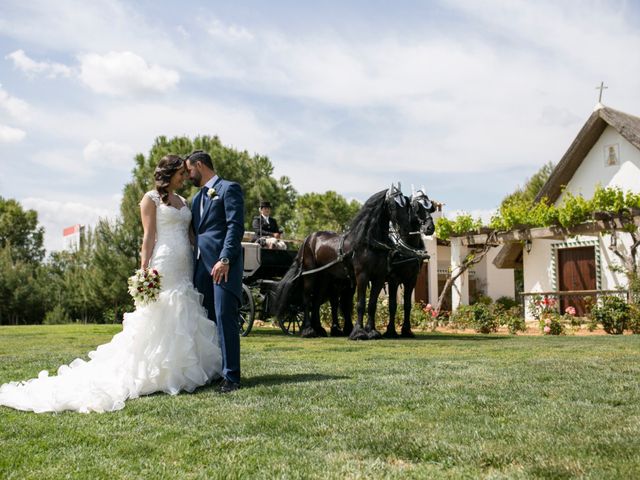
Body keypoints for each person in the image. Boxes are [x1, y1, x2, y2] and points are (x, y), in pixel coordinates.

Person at [0, 155, 222, 413]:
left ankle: (187, 367)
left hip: (185, 263)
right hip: (164, 261)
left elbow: (191, 235)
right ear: (170, 173)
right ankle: (157, 370)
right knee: (161, 312)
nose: (185, 178)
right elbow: (148, 236)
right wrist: (144, 271)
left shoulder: (184, 202)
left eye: (186, 174)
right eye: (181, 174)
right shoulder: (149, 199)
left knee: (185, 307)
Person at [185, 150, 244, 393]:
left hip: (222, 266)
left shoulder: (229, 189)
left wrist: (226, 258)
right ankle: (212, 371)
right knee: (204, 320)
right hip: (200, 267)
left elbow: (235, 226)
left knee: (224, 318)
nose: (188, 175)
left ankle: (231, 376)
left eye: (189, 170)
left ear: (200, 165)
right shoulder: (196, 199)